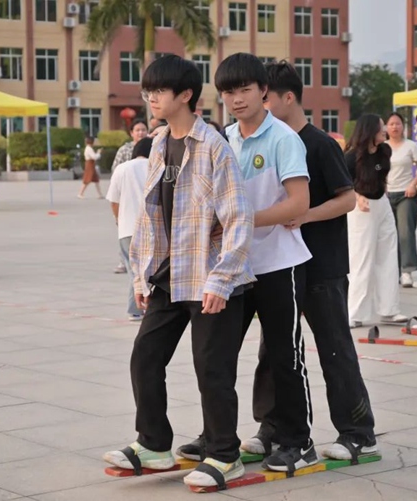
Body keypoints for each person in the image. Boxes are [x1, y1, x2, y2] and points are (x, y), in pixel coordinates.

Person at [102, 55, 256, 490]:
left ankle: (224, 455)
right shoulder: (158, 146)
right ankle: (153, 445)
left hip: (211, 277)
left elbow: (238, 218)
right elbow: (150, 218)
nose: (151, 98)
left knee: (212, 369)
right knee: (145, 356)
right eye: (148, 91)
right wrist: (141, 276)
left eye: (159, 91)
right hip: (169, 276)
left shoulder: (213, 146)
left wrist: (222, 280)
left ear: (185, 94)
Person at [260, 60, 377, 461]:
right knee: (276, 352)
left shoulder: (320, 144)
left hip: (322, 265)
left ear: (288, 98)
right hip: (281, 266)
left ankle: (358, 432)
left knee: (334, 349)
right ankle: (273, 427)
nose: (258, 106)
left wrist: (305, 215)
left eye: (265, 98)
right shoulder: (268, 143)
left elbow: (348, 199)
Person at [218, 52, 316, 473]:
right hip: (234, 266)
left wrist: (244, 220)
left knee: (284, 357)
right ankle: (222, 437)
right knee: (218, 354)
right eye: (228, 92)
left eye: (245, 89)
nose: (237, 99)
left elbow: (299, 202)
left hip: (279, 263)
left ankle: (298, 441)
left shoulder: (283, 139)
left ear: (263, 91)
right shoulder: (223, 138)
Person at [345, 115, 408, 328]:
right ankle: (354, 312)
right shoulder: (351, 157)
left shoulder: (384, 151)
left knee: (388, 255)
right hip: (361, 208)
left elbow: (382, 178)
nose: (385, 130)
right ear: (370, 130)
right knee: (362, 259)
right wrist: (357, 197)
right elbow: (343, 183)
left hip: (382, 204)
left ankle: (389, 309)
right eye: (381, 127)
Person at [105, 136, 152, 321]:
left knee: (133, 271)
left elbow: (113, 200)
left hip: (126, 228)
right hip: (151, 228)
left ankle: (135, 309)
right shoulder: (157, 166)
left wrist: (118, 219)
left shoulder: (122, 169)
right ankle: (147, 306)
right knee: (152, 270)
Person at [385, 112, 417, 288]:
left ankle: (407, 271)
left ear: (403, 126)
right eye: (391, 124)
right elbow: (378, 168)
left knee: (405, 233)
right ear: (386, 127)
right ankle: (393, 271)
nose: (395, 127)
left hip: (406, 193)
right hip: (386, 194)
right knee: (389, 234)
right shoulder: (382, 147)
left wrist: (413, 185)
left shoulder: (411, 146)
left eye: (398, 123)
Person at [112, 119, 149, 274]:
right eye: (137, 130)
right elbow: (115, 170)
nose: (140, 132)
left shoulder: (153, 147)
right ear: (131, 133)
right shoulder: (125, 150)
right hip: (128, 193)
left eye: (143, 129)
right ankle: (123, 261)